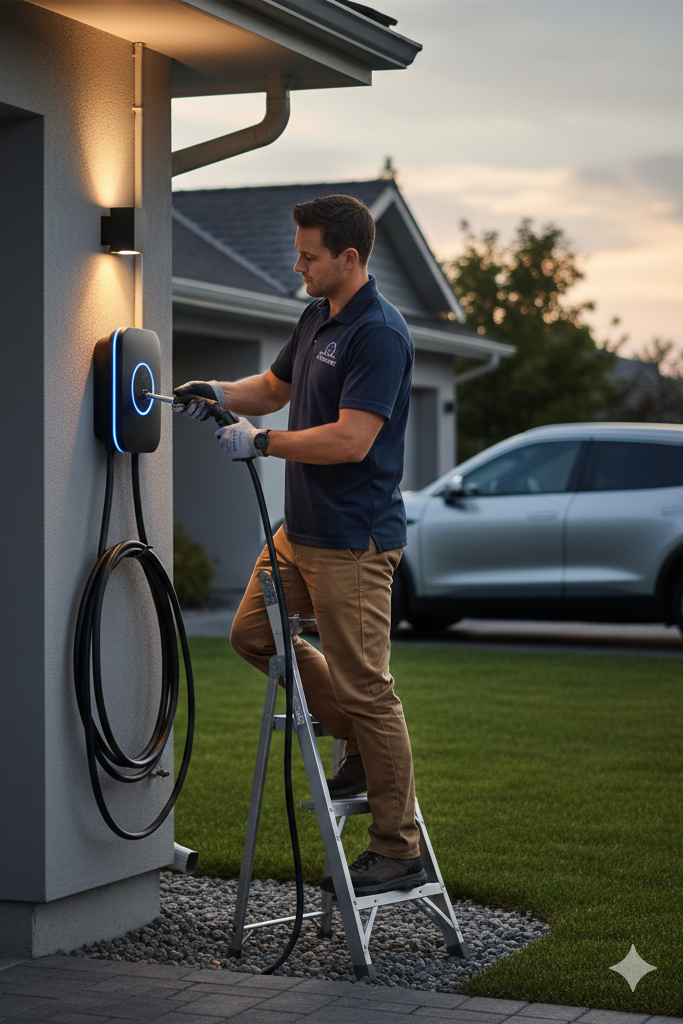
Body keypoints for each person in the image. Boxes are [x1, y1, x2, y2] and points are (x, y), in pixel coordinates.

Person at [173, 194, 424, 898]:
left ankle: (397, 847)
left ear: (349, 257)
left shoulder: (380, 334)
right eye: (299, 252)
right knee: (253, 636)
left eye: (310, 255)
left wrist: (263, 443)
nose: (299, 264)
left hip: (353, 543)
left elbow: (352, 439)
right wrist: (218, 390)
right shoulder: (316, 315)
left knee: (369, 689)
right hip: (298, 534)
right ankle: (353, 745)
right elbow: (275, 386)